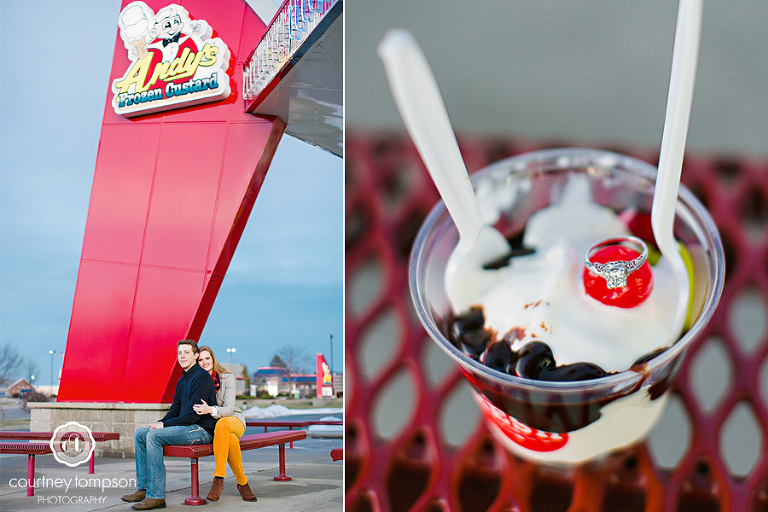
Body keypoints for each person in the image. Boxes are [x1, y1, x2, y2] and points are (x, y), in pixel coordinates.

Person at [122, 339, 217, 510]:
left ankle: (156, 496)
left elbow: (193, 416)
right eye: (180, 353)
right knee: (141, 433)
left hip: (202, 430)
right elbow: (175, 410)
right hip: (188, 427)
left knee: (154, 436)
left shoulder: (201, 377)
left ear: (196, 355)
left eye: (187, 352)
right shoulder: (183, 380)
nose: (182, 356)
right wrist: (160, 422)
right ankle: (143, 488)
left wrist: (164, 427)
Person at [194, 346, 256, 502]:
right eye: (200, 360)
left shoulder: (226, 378)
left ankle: (218, 479)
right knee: (231, 440)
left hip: (233, 419)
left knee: (223, 424)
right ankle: (243, 484)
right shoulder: (196, 381)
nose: (204, 362)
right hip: (218, 428)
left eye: (207, 358)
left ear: (213, 359)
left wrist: (210, 410)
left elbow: (228, 409)